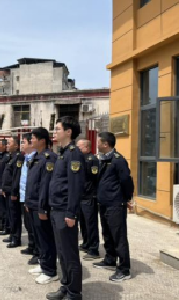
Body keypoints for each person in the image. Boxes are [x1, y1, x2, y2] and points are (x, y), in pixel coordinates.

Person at [47, 116, 85, 300]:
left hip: (65, 211)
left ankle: (74, 292)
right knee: (61, 252)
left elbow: (75, 186)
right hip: (57, 210)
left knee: (70, 253)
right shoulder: (63, 153)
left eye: (58, 129)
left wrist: (71, 213)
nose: (55, 132)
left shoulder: (74, 153)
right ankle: (65, 285)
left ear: (69, 132)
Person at [93, 132, 132, 282]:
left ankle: (124, 269)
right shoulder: (103, 159)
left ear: (105, 144)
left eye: (98, 142)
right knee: (107, 233)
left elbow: (126, 181)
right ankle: (110, 259)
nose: (97, 144)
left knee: (119, 236)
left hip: (115, 204)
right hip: (104, 203)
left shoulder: (118, 160)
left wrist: (127, 198)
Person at [26, 128, 58, 285]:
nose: (31, 140)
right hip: (32, 204)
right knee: (39, 237)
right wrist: (28, 202)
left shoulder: (49, 157)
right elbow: (32, 183)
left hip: (41, 206)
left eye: (33, 138)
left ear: (42, 140)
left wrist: (43, 208)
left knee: (46, 238)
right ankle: (43, 263)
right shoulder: (36, 157)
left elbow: (46, 185)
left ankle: (50, 271)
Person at [11, 133, 39, 265]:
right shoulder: (26, 157)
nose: (22, 145)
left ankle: (37, 252)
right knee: (28, 225)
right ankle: (32, 246)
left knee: (34, 227)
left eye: (24, 142)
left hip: (31, 198)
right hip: (24, 196)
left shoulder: (36, 158)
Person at [76, 139, 100, 260]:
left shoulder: (92, 160)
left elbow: (95, 178)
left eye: (79, 147)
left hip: (90, 196)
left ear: (86, 147)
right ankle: (86, 243)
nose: (77, 149)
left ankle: (94, 249)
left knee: (91, 223)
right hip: (81, 196)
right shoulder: (80, 159)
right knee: (83, 223)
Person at [0, 136, 21, 247]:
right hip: (7, 191)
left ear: (16, 145)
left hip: (13, 193)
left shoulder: (18, 158)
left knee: (15, 216)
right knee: (10, 214)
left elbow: (16, 178)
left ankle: (16, 238)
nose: (7, 145)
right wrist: (4, 188)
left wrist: (13, 192)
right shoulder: (11, 157)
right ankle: (12, 235)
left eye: (9, 143)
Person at [0, 139, 10, 234]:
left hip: (2, 187)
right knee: (0, 207)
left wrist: (2, 187)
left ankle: (6, 227)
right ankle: (2, 224)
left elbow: (5, 175)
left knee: (4, 209)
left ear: (4, 146)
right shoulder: (1, 156)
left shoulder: (7, 157)